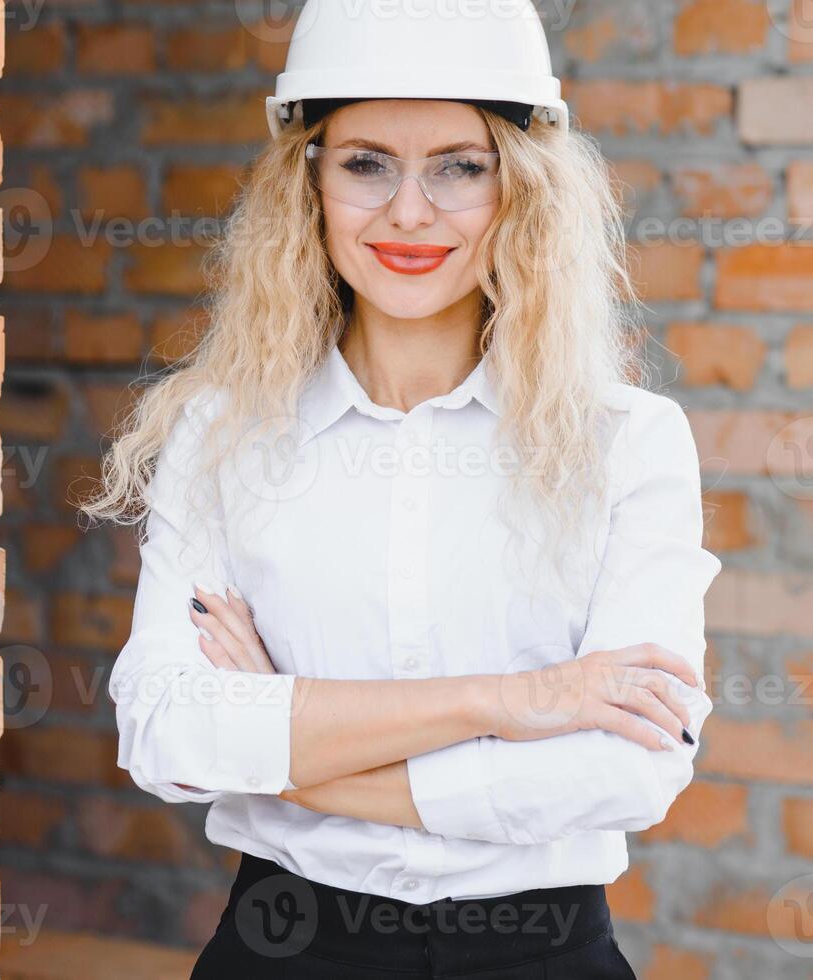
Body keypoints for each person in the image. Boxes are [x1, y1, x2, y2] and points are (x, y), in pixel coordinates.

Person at [77, 1, 721, 977]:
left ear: (520, 188)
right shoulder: (222, 433)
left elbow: (630, 765)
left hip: (540, 954)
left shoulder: (627, 443)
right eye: (366, 162)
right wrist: (521, 698)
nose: (409, 211)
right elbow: (167, 729)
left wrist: (290, 759)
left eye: (459, 166)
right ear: (310, 185)